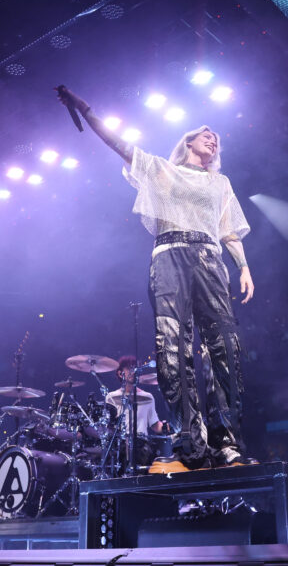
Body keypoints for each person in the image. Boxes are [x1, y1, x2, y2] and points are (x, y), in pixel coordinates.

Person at [56, 87, 256, 471]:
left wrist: (244, 267)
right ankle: (189, 445)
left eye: (216, 138)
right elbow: (121, 145)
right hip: (168, 258)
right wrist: (87, 110)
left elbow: (229, 231)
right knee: (171, 349)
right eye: (205, 134)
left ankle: (227, 445)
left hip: (210, 259)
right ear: (188, 143)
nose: (213, 139)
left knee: (224, 349)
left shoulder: (221, 183)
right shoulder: (164, 171)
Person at [106, 355, 164, 468]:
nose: (134, 371)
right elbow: (108, 426)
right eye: (130, 368)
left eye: (136, 368)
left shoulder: (148, 397)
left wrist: (168, 426)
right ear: (120, 373)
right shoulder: (111, 397)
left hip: (142, 445)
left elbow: (155, 426)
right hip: (120, 444)